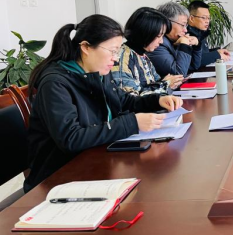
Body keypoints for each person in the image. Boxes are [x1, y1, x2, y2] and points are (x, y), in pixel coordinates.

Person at [26, 14, 183, 191]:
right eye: (113, 51)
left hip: (97, 160)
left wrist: (157, 100)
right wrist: (132, 123)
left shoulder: (97, 72)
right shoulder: (55, 84)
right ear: (86, 47)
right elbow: (71, 138)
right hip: (60, 178)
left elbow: (123, 101)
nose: (116, 59)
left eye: (117, 51)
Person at [112, 7, 184, 95]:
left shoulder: (143, 55)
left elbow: (155, 82)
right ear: (145, 32)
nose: (161, 41)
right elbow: (131, 97)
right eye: (159, 36)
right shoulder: (123, 58)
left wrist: (170, 82)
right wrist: (164, 84)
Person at [147, 2, 201, 77]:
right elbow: (178, 74)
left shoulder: (174, 39)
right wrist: (184, 45)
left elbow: (193, 67)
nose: (185, 30)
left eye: (186, 25)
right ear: (167, 23)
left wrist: (197, 45)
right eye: (182, 25)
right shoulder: (157, 44)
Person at [187, 0, 230, 67]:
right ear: (191, 18)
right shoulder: (187, 35)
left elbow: (203, 53)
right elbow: (195, 60)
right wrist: (217, 55)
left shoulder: (200, 32)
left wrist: (217, 51)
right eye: (204, 18)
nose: (207, 21)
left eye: (208, 18)